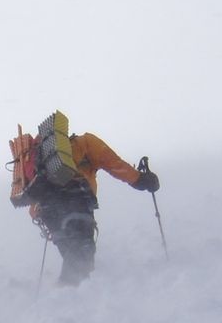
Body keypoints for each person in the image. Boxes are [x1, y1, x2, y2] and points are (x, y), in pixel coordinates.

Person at [16, 110, 160, 285]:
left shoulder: (40, 167)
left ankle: (66, 296)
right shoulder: (85, 143)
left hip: (48, 212)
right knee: (81, 256)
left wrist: (43, 216)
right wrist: (141, 180)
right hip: (76, 200)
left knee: (74, 256)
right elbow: (115, 165)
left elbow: (33, 204)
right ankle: (68, 296)